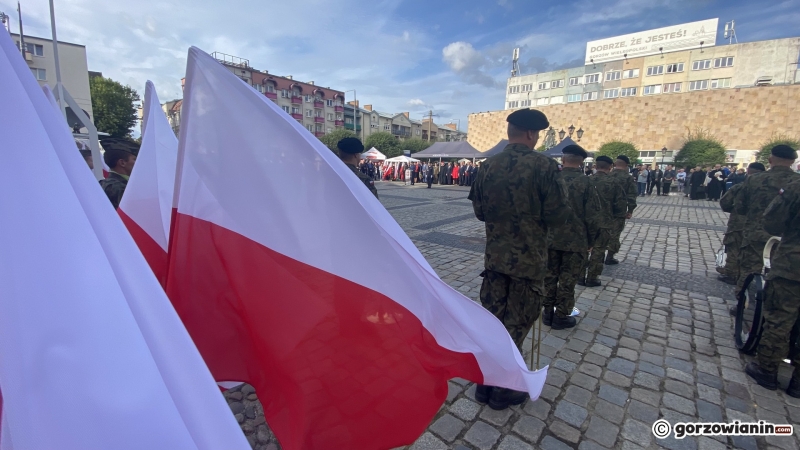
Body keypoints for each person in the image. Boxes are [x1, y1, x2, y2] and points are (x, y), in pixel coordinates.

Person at [468, 108, 570, 410]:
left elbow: (479, 211)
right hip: (529, 263)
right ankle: (503, 389)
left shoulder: (488, 166)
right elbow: (558, 215)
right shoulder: (544, 166)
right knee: (517, 324)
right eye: (537, 135)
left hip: (496, 260)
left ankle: (485, 384)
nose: (537, 139)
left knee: (495, 322)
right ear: (529, 134)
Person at [745, 176, 800, 397]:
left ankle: (767, 369)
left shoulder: (796, 187)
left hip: (792, 264)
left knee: (780, 316)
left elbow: (772, 222)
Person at [543, 144, 598, 329]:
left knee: (549, 277)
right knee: (568, 280)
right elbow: (592, 215)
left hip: (549, 239)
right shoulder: (587, 183)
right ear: (582, 162)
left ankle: (547, 312)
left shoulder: (550, 180)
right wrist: (591, 241)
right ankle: (561, 316)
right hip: (576, 241)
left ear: (563, 160)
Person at [734, 145, 800, 293]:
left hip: (756, 233)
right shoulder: (797, 183)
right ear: (792, 161)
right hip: (786, 239)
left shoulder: (754, 180)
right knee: (783, 275)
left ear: (770, 160)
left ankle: (742, 303)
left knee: (749, 269)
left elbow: (740, 207)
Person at [718, 163, 766, 286]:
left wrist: (736, 211)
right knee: (756, 252)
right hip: (761, 227)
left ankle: (732, 274)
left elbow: (725, 203)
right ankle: (751, 276)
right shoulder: (772, 190)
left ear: (748, 172)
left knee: (734, 248)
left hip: (738, 224)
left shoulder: (740, 187)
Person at [584, 156, 628, 287]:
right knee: (599, 250)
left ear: (596, 166)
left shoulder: (586, 181)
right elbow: (620, 206)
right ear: (610, 167)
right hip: (604, 222)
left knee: (583, 249)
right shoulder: (614, 183)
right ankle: (592, 277)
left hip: (586, 222)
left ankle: (580, 276)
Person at [607, 155, 637, 265]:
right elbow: (632, 195)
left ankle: (598, 256)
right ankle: (610, 256)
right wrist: (630, 210)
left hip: (604, 210)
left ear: (615, 164)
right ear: (626, 165)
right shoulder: (628, 178)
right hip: (619, 211)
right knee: (615, 234)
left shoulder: (608, 175)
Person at [101, 140, 139, 209]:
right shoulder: (121, 188)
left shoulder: (102, 183)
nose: (138, 163)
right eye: (135, 159)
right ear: (122, 163)